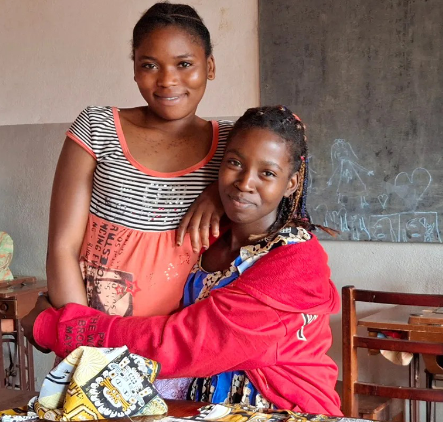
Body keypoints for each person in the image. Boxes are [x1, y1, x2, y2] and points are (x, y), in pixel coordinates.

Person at [24, 106, 343, 416]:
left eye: (267, 173)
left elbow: (183, 343)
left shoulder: (295, 263)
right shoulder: (211, 235)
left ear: (290, 183)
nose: (245, 183)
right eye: (235, 163)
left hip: (283, 410)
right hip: (200, 409)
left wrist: (58, 326)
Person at [47, 2, 228, 321]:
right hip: (98, 337)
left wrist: (219, 189)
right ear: (134, 69)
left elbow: (291, 136)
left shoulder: (232, 146)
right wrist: (83, 338)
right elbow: (63, 247)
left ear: (210, 66)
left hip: (184, 343)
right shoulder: (97, 127)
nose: (168, 80)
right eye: (150, 65)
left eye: (184, 63)